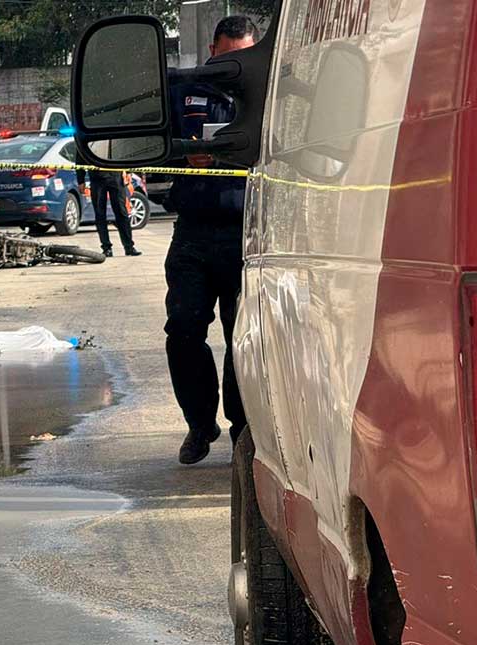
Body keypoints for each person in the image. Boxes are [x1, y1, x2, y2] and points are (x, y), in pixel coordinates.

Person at [163, 15, 257, 465]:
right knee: (183, 330)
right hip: (194, 232)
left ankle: (243, 432)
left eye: (246, 53)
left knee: (244, 338)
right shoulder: (184, 90)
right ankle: (200, 426)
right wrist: (183, 151)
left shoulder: (266, 93)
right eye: (229, 53)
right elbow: (157, 147)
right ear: (213, 50)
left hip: (246, 232)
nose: (237, 62)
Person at [87, 170, 140, 258]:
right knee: (100, 215)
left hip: (116, 177)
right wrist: (80, 180)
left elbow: (122, 156)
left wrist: (128, 172)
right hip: (97, 178)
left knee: (122, 213)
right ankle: (106, 248)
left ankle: (129, 247)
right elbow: (82, 158)